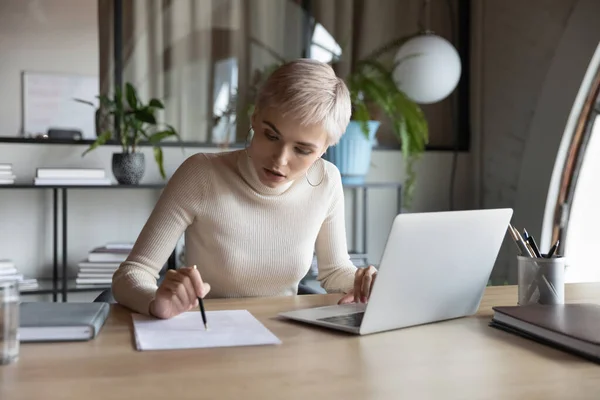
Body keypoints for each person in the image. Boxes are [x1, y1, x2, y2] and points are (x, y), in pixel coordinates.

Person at [112, 58, 377, 319]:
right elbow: (132, 274)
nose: (280, 159)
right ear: (254, 118)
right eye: (271, 136)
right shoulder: (201, 174)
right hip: (209, 335)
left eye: (302, 150)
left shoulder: (327, 181)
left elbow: (334, 272)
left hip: (285, 337)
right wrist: (155, 302)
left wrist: (363, 281)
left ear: (324, 149)